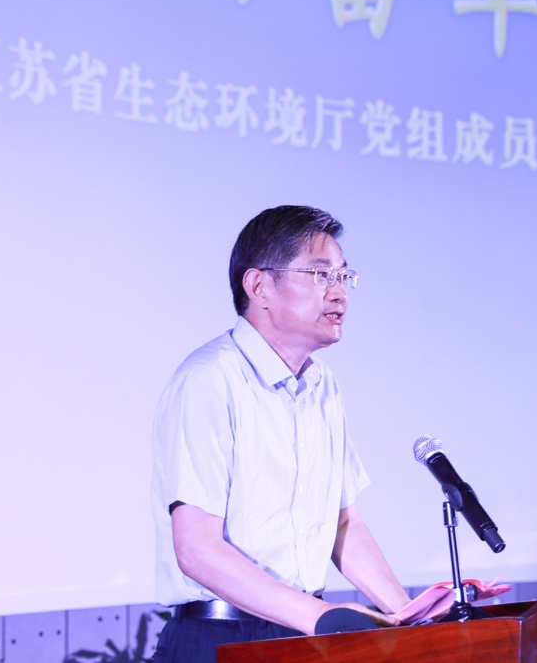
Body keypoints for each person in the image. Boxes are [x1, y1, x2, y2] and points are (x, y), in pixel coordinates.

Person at [151, 205, 410, 662]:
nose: (339, 293)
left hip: (299, 631)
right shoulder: (210, 379)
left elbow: (343, 524)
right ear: (259, 287)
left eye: (344, 277)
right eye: (320, 274)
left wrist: (410, 616)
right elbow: (196, 548)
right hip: (221, 637)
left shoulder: (323, 385)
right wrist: (320, 617)